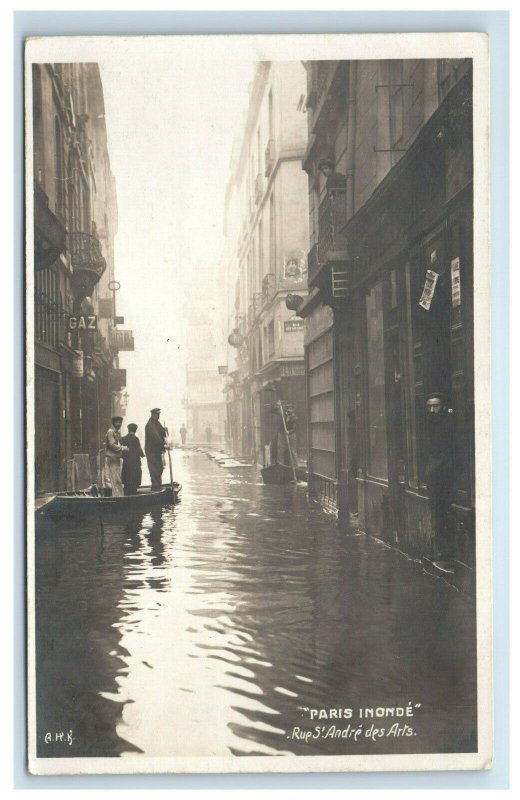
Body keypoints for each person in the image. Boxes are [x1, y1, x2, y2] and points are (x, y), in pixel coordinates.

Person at [424, 393, 455, 572]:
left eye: (435, 406)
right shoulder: (427, 425)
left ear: (442, 406)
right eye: (429, 406)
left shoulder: (448, 424)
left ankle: (447, 553)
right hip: (433, 478)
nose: (432, 410)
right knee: (436, 513)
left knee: (445, 514)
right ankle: (440, 551)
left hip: (446, 477)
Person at [104, 416, 128, 497]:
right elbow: (112, 445)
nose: (119, 424)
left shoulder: (117, 432)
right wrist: (122, 448)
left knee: (117, 479)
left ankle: (119, 496)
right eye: (117, 422)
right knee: (115, 479)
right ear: (113, 423)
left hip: (116, 458)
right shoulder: (111, 432)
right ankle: (117, 497)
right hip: (112, 458)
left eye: (120, 422)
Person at [145, 408, 167, 491]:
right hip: (151, 451)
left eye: (159, 414)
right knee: (154, 469)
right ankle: (155, 487)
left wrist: (164, 429)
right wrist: (163, 444)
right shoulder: (150, 425)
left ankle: (158, 485)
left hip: (157, 451)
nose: (159, 416)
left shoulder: (156, 423)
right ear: (153, 415)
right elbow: (155, 437)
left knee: (160, 468)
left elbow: (161, 431)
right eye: (157, 414)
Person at [121, 423, 145, 496]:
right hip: (135, 462)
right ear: (135, 430)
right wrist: (143, 455)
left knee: (127, 477)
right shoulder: (135, 439)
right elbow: (139, 449)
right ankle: (133, 493)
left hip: (127, 462)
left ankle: (126, 492)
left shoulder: (123, 438)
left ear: (128, 430)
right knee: (134, 478)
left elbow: (122, 450)